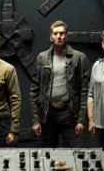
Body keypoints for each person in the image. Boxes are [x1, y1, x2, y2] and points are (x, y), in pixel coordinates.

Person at [31, 20, 90, 148]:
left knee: (76, 153)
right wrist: (35, 120)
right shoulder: (42, 58)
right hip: (48, 114)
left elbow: (84, 91)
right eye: (56, 34)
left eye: (62, 33)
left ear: (66, 36)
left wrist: (81, 120)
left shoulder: (79, 58)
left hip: (69, 114)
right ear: (51, 36)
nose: (59, 37)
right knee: (48, 155)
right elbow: (34, 90)